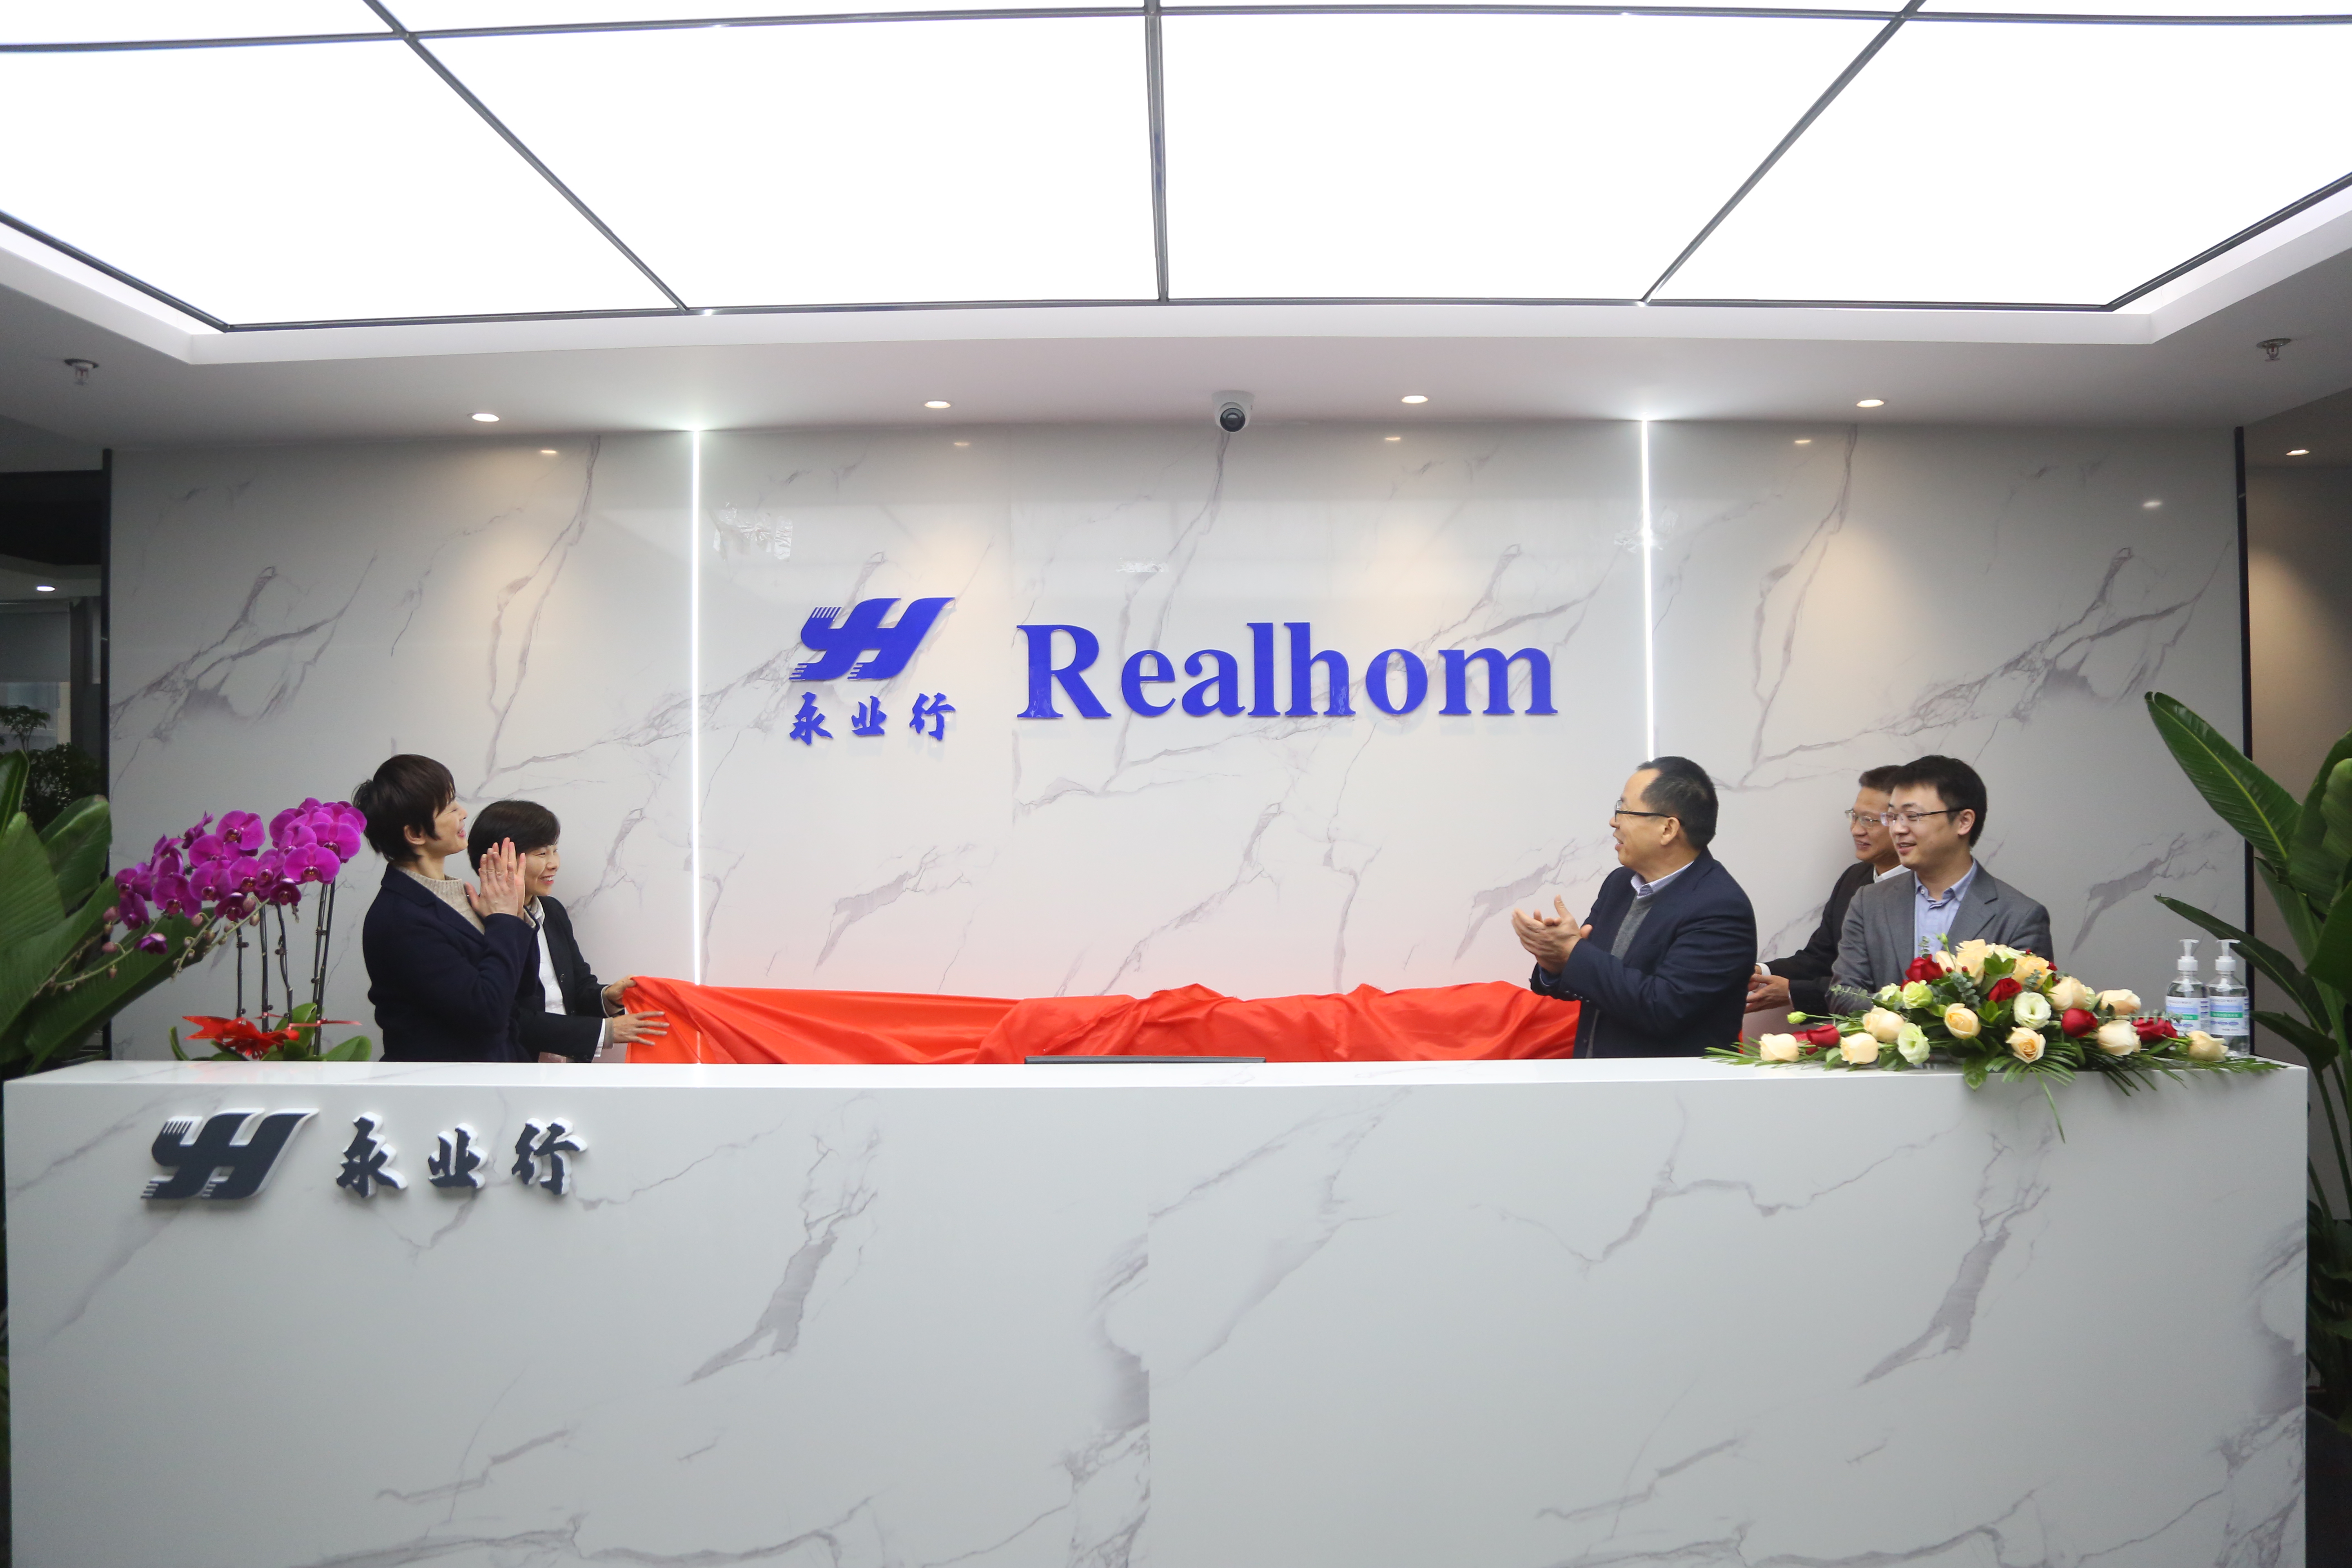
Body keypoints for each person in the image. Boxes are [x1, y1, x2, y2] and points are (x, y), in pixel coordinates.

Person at [1513, 756, 1758, 1057]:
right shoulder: (1620, 884)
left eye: (1625, 810)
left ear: (1668, 829)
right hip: (1597, 1077)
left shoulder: (1720, 907)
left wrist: (1573, 953)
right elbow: (1594, 980)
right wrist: (1556, 961)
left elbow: (1663, 1008)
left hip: (1668, 1084)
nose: (1614, 822)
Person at [1828, 754, 2054, 1013]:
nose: (1898, 829)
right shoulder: (1869, 901)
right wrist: (1908, 1019)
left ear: (1964, 821)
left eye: (1912, 816)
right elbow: (1843, 994)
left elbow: (2025, 1014)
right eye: (1893, 817)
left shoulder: (2019, 917)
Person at [353, 754, 532, 1062]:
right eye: (449, 807)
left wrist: (514, 914)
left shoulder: (458, 895)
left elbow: (523, 993)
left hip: (498, 1072)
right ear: (416, 834)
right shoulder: (401, 919)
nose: (463, 813)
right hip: (447, 1084)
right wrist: (503, 920)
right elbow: (487, 1013)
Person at [463, 800, 667, 1063]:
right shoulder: (474, 923)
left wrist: (609, 998)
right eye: (541, 854)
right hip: (516, 1072)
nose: (554, 864)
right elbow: (507, 1018)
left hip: (567, 1070)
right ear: (499, 860)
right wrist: (605, 1031)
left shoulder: (552, 911)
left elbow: (577, 988)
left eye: (555, 851)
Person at [1744, 764, 1908, 1023]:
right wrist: (1759, 972)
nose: (1856, 830)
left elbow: (1885, 984)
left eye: (1869, 820)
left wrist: (1794, 992)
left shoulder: (1925, 890)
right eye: (1854, 817)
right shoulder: (1854, 878)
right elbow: (1821, 957)